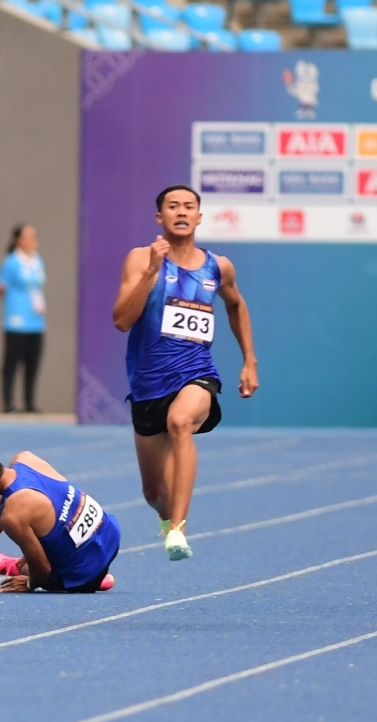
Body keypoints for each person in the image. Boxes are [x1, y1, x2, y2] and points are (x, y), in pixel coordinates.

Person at [112, 185, 259, 561]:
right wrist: (151, 272)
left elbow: (236, 305)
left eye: (189, 206)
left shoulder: (218, 266)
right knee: (154, 494)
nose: (181, 211)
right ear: (159, 217)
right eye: (173, 206)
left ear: (199, 216)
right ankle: (167, 516)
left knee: (181, 422)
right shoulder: (140, 259)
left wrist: (249, 360)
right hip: (147, 384)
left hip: (196, 373)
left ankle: (178, 530)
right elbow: (122, 321)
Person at [0, 436, 119, 593]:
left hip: (84, 575)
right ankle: (96, 571)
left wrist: (30, 583)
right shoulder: (25, 459)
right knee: (46, 524)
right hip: (109, 536)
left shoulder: (12, 516)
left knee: (30, 567)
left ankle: (17, 566)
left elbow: (43, 569)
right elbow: (4, 504)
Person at [0, 224, 46, 413]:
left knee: (32, 363)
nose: (33, 240)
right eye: (28, 237)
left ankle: (29, 402)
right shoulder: (11, 262)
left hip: (36, 321)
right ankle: (8, 402)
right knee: (11, 363)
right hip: (16, 321)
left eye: (34, 236)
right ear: (19, 240)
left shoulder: (38, 261)